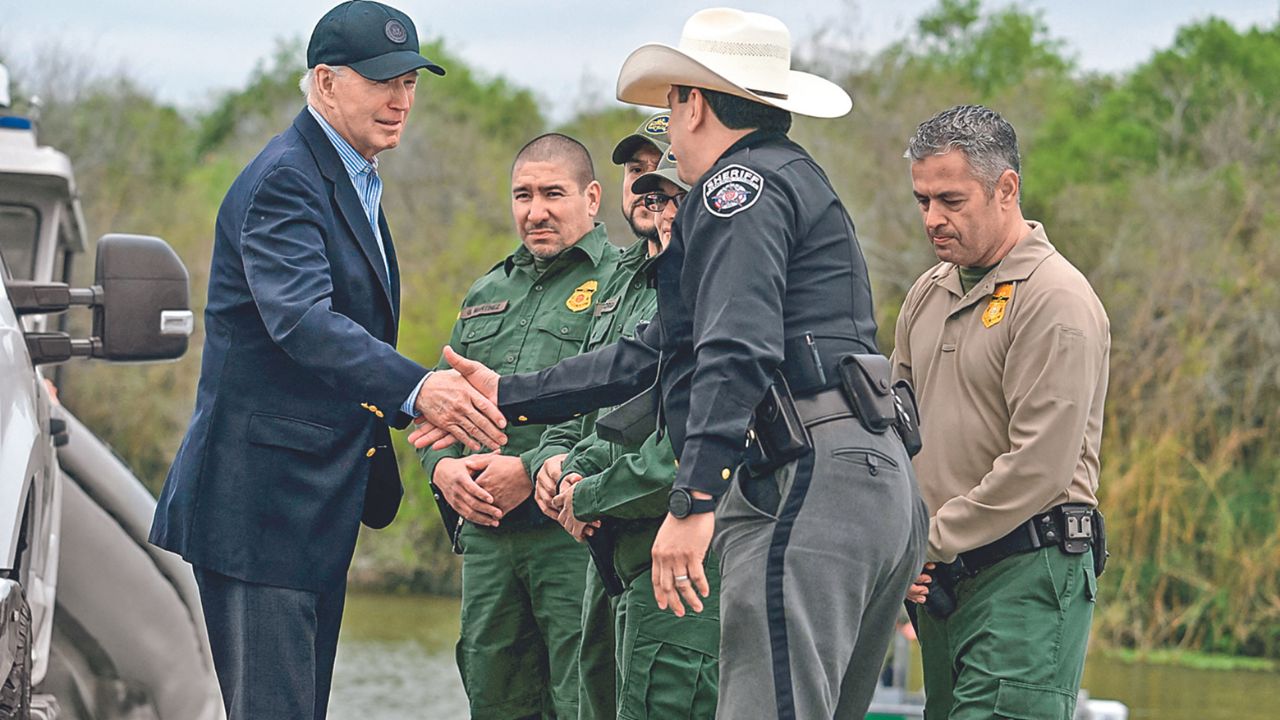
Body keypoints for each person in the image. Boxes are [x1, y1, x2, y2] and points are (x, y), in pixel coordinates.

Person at [415, 9, 928, 719]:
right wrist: (512, 392)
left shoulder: (734, 189)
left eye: (669, 103)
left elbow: (735, 350)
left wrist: (693, 500)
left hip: (806, 478)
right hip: (875, 477)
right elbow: (657, 351)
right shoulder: (791, 178)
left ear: (693, 102)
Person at [149, 3, 508, 718]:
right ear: (324, 83)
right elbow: (305, 324)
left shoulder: (353, 178)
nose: (401, 100)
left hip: (311, 508)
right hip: (260, 510)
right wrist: (418, 391)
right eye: (382, 82)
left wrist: (416, 407)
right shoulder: (287, 177)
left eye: (410, 82)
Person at [894, 104, 1110, 719]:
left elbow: (1038, 468)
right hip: (941, 583)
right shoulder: (929, 290)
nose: (933, 218)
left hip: (1027, 578)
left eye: (951, 200)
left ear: (1005, 189)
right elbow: (892, 428)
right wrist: (894, 538)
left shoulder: (1057, 299)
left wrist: (922, 541)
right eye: (922, 200)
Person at [420, 132, 620, 720]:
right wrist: (443, 470)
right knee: (493, 695)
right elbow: (438, 406)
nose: (535, 212)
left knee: (582, 697)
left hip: (573, 536)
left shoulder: (623, 285)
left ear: (591, 197)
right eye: (523, 195)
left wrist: (529, 469)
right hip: (488, 542)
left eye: (553, 194)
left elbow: (628, 409)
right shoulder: (487, 290)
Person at [551, 153, 722, 719]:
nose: (663, 212)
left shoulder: (727, 302)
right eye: (654, 198)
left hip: (693, 571)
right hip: (625, 562)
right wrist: (573, 468)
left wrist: (586, 495)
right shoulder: (674, 298)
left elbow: (678, 454)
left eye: (678, 198)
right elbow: (632, 416)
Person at [522, 113, 672, 720]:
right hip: (605, 546)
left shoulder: (703, 277)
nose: (644, 188)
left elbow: (683, 430)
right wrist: (557, 463)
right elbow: (588, 394)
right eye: (636, 174)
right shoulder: (619, 278)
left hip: (671, 539)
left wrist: (588, 493)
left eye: (659, 174)